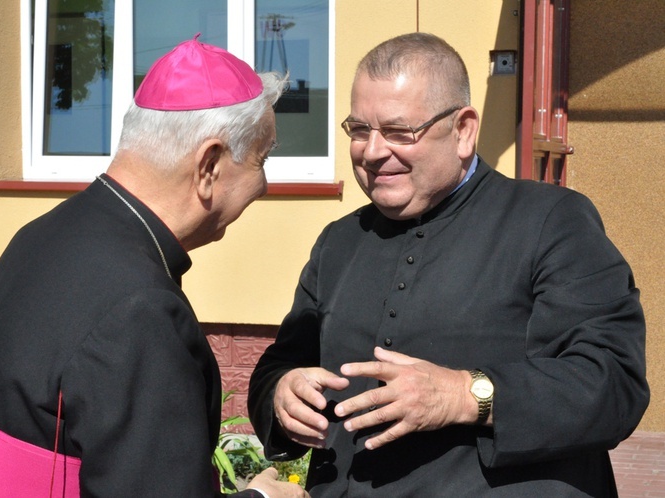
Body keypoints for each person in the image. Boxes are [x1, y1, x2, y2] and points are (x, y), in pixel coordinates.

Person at [248, 32, 649, 496]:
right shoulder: (340, 240)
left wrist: (464, 395)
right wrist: (282, 395)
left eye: (399, 132)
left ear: (463, 130)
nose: (372, 152)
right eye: (359, 130)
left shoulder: (552, 220)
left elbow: (613, 385)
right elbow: (279, 367)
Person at [0, 36, 308, 498]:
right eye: (262, 160)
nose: (264, 186)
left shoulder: (44, 233)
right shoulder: (140, 313)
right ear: (209, 165)